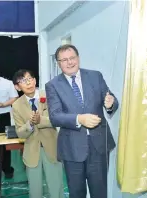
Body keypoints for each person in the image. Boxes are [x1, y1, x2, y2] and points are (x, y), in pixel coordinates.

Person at [45, 44, 118, 198]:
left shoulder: (95, 76)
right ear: (58, 63)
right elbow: (55, 116)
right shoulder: (53, 85)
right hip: (72, 148)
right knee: (76, 192)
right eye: (64, 60)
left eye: (72, 58)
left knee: (100, 192)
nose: (69, 62)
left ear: (78, 58)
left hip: (98, 146)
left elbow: (111, 99)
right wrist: (80, 119)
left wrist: (111, 104)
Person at [11, 69, 64, 198]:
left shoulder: (49, 96)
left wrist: (40, 120)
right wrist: (30, 124)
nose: (28, 83)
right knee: (35, 191)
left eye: (30, 79)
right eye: (23, 81)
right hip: (32, 151)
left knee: (56, 187)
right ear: (17, 87)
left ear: (35, 80)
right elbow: (20, 133)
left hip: (52, 148)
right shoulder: (16, 105)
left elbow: (57, 119)